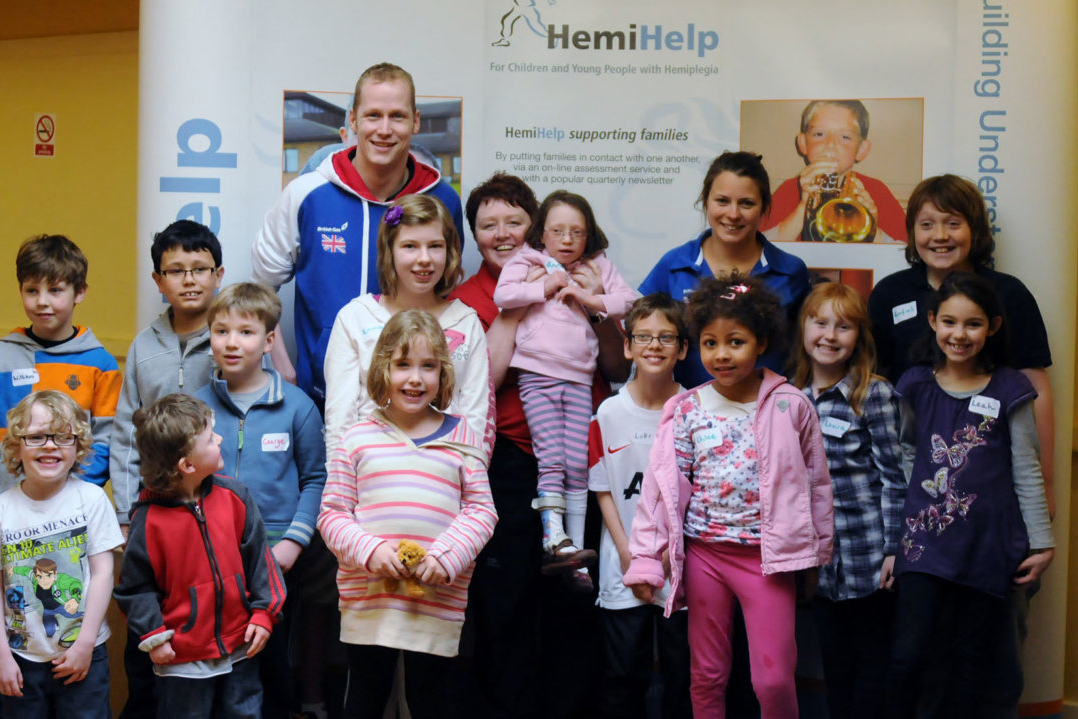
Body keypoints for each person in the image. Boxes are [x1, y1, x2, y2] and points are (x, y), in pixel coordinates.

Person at [623, 274, 833, 719]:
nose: (721, 354)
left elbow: (816, 484)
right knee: (707, 676)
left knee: (773, 681)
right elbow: (660, 490)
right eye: (710, 343)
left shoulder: (791, 405)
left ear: (761, 343)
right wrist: (645, 556)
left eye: (735, 342)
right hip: (705, 557)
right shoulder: (685, 409)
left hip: (767, 560)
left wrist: (815, 553)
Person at [449, 173, 612, 718]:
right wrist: (521, 300)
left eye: (514, 222)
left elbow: (616, 363)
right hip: (512, 463)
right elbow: (483, 383)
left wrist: (589, 298)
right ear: (474, 235)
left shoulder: (579, 271)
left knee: (575, 600)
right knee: (508, 604)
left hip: (582, 459)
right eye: (488, 225)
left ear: (536, 228)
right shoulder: (466, 301)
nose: (502, 234)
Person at [884, 272, 1054, 719]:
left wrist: (1041, 542)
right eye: (950, 322)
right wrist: (901, 530)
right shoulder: (915, 385)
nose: (959, 334)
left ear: (992, 327)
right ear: (932, 321)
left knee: (969, 660)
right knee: (909, 654)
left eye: (973, 324)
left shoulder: (1010, 389)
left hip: (987, 546)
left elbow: (1027, 467)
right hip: (924, 544)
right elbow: (906, 451)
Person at [251, 62, 464, 410]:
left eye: (397, 116)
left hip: (415, 402)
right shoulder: (306, 194)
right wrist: (281, 365)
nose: (384, 129)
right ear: (353, 120)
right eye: (373, 115)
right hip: (323, 398)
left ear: (416, 121)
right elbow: (262, 286)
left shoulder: (442, 200)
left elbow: (444, 291)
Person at [317, 310, 497, 719]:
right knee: (364, 700)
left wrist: (446, 557)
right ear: (382, 368)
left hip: (436, 600)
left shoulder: (462, 437)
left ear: (443, 372)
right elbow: (333, 514)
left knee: (431, 701)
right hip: (369, 600)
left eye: (427, 366)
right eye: (402, 365)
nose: (415, 378)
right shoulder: (357, 439)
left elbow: (481, 511)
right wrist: (370, 551)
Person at [192, 282, 329, 719]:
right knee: (222, 658)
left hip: (276, 557)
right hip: (210, 555)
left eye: (246, 332)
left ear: (269, 341)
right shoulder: (195, 409)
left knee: (272, 658)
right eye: (221, 331)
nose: (232, 343)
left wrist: (293, 542)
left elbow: (316, 479)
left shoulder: (297, 406)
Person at [114, 394, 286, 719]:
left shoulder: (235, 496)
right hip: (182, 659)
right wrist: (153, 636)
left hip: (242, 646)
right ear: (187, 465)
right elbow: (134, 588)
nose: (219, 439)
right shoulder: (147, 520)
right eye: (210, 438)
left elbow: (261, 561)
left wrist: (265, 613)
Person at [492, 190, 637, 578]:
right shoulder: (528, 259)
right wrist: (543, 287)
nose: (568, 239)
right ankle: (553, 538)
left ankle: (575, 552)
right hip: (537, 378)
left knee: (577, 462)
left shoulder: (597, 266)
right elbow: (503, 295)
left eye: (577, 232)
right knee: (552, 459)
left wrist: (592, 298)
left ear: (589, 235)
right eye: (558, 230)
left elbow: (630, 301)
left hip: (580, 380)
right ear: (542, 232)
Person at [789, 282, 906, 719]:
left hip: (867, 556)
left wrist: (893, 549)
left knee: (872, 666)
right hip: (817, 562)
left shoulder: (873, 395)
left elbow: (894, 479)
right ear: (804, 328)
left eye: (843, 326)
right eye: (820, 323)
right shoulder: (789, 398)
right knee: (833, 664)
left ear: (859, 336)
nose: (830, 335)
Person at [323, 194, 491, 457]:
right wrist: (341, 477)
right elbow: (339, 421)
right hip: (371, 470)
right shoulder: (356, 318)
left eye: (435, 246)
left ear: (449, 251)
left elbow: (476, 416)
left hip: (445, 472)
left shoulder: (466, 322)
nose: (424, 258)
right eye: (410, 246)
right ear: (389, 251)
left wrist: (470, 474)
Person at [588, 293, 691, 719]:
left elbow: (698, 495)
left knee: (681, 676)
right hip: (622, 561)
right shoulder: (608, 413)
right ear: (628, 346)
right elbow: (603, 490)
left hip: (679, 564)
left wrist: (665, 557)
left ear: (682, 349)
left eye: (666, 337)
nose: (654, 345)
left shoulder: (693, 410)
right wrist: (628, 553)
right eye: (643, 336)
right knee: (622, 675)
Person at [0, 391, 123, 717]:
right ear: (16, 446)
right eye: (36, 436)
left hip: (83, 652)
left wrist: (85, 644)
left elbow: (103, 574)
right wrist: (2, 657)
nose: (50, 446)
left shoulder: (92, 500)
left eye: (62, 437)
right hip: (18, 659)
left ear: (78, 446)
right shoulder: (3, 509)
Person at [639, 150, 811, 385]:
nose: (733, 214)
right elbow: (643, 341)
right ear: (706, 202)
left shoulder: (790, 271)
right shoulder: (674, 265)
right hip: (688, 405)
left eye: (746, 203)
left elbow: (806, 352)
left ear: (763, 207)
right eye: (722, 201)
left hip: (768, 405)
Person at [111, 219, 224, 527]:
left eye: (199, 269)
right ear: (158, 281)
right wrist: (125, 512)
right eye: (175, 271)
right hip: (156, 503)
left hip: (219, 499)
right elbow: (126, 435)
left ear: (218, 275)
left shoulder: (232, 341)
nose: (189, 280)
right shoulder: (143, 346)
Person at [1, 234, 121, 491]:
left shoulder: (100, 364)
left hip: (72, 502)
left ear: (79, 292)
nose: (42, 301)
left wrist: (74, 490)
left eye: (55, 290)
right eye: (32, 290)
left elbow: (107, 439)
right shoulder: (3, 357)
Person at [760, 100, 906, 243]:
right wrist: (803, 208)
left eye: (845, 137)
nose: (830, 144)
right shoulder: (788, 190)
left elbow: (906, 253)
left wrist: (873, 230)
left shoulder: (877, 192)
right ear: (803, 143)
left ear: (862, 149)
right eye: (819, 134)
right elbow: (757, 250)